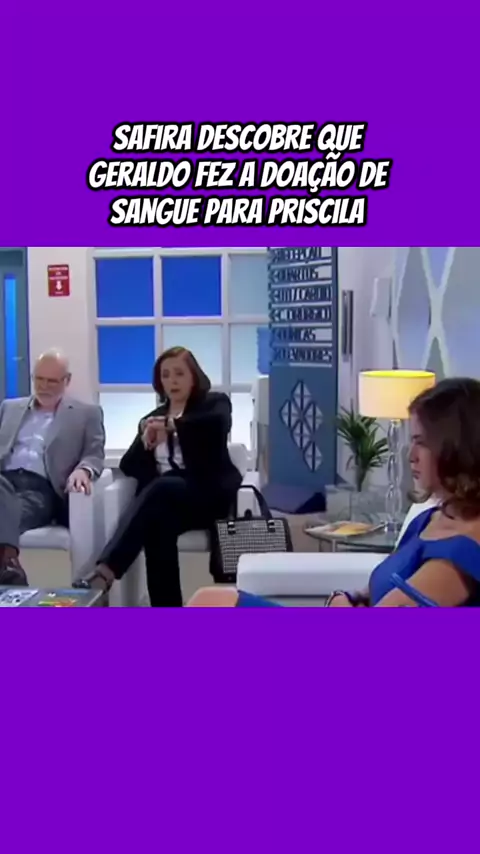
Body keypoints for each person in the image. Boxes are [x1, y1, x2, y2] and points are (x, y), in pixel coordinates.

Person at [188, 377, 480, 608]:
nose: (411, 455)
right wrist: (347, 597)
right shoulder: (429, 519)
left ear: (456, 447)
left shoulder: (462, 554)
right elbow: (375, 588)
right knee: (211, 600)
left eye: (422, 442)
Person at [75, 347, 243, 607]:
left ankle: (106, 571)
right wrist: (146, 440)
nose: (172, 381)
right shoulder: (151, 419)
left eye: (179, 374)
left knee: (163, 486)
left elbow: (216, 425)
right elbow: (128, 465)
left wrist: (172, 426)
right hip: (171, 502)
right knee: (157, 525)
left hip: (208, 496)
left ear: (194, 377)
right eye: (165, 375)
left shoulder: (214, 404)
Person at [0, 349, 105, 533]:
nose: (43, 386)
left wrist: (83, 470)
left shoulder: (87, 414)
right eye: (39, 379)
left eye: (52, 381)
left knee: (9, 517)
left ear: (67, 380)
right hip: (4, 481)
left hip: (40, 489)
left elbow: (94, 454)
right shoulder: (9, 408)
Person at [0, 473, 28, 585]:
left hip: (36, 489)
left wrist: (80, 470)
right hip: (4, 481)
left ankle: (6, 560)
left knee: (6, 513)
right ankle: (8, 561)